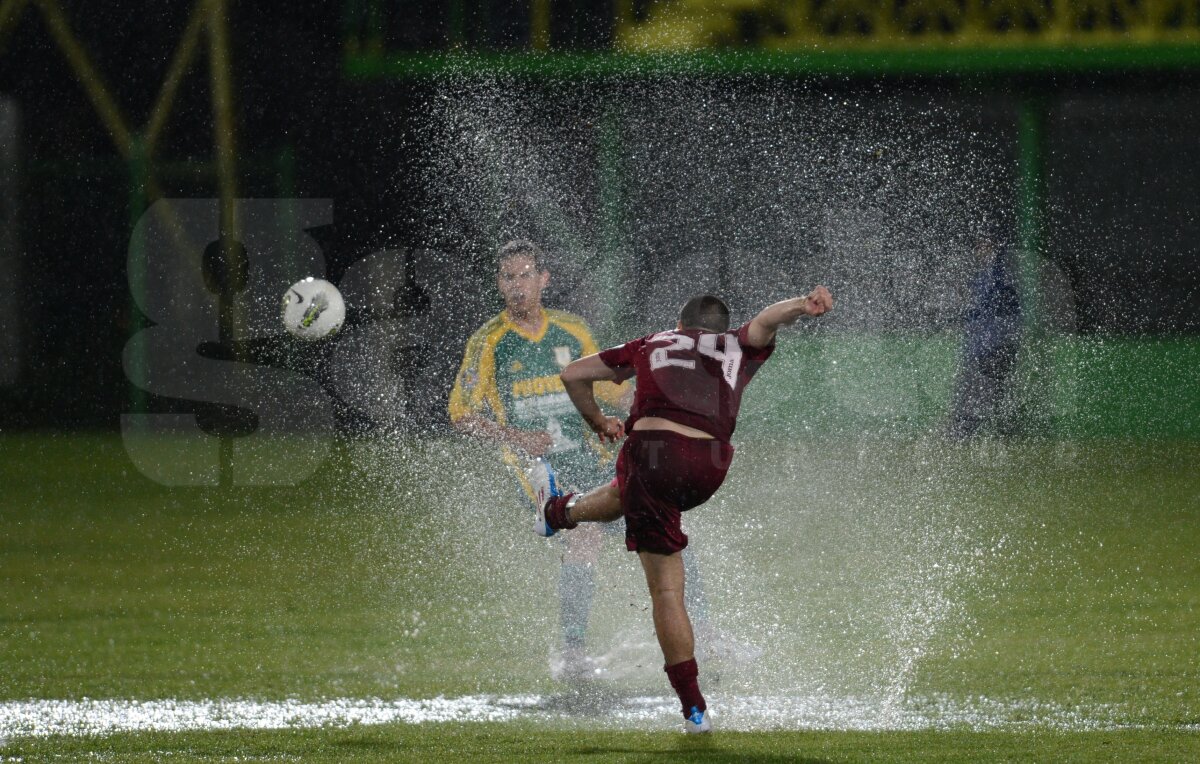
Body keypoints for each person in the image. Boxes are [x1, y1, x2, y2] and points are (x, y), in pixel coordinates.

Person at [531, 287, 834, 733]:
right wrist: (801, 308)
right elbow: (767, 321)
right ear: (719, 328)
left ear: (679, 327)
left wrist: (599, 422)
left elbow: (574, 375)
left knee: (667, 590)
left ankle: (694, 711)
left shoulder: (653, 342)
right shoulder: (735, 343)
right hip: (709, 467)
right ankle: (557, 512)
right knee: (628, 492)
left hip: (653, 455)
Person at [448, 239, 629, 678]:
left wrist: (648, 397)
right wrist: (516, 436)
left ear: (543, 279)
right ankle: (572, 652)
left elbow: (608, 389)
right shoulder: (488, 341)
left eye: (525, 275)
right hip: (536, 468)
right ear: (499, 283)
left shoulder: (573, 331)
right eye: (508, 277)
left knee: (666, 523)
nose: (517, 286)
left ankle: (705, 630)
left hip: (590, 455)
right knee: (583, 534)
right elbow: (461, 414)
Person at [946, 223, 1021, 438]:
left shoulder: (1002, 272)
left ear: (996, 247)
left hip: (995, 347)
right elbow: (977, 309)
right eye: (978, 246)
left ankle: (963, 434)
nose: (980, 250)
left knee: (978, 394)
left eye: (985, 245)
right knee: (972, 394)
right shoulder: (981, 276)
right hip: (979, 348)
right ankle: (965, 433)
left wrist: (969, 314)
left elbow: (997, 306)